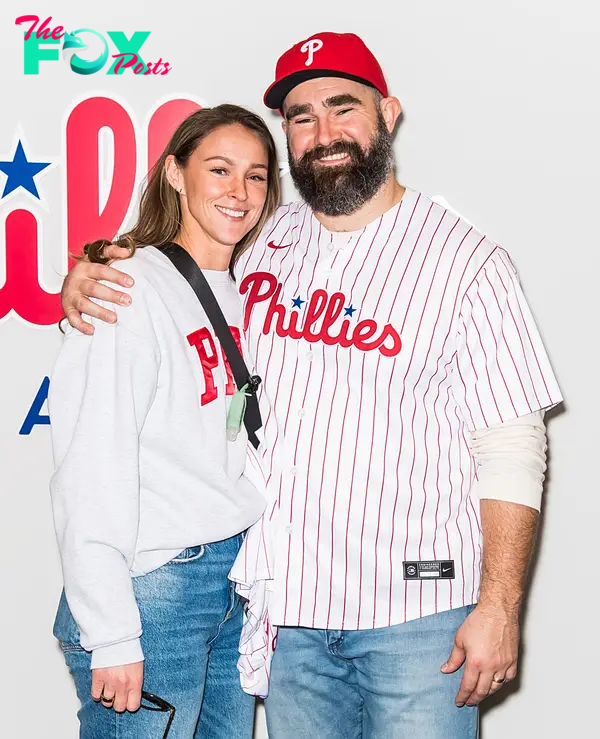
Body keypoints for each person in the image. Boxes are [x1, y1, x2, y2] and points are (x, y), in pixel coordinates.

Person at [59, 32, 562, 739]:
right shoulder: (262, 238)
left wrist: (501, 606)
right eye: (301, 116)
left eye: (343, 107)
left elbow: (512, 445)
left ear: (388, 113)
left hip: (417, 620)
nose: (324, 133)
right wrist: (92, 269)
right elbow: (172, 268)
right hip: (284, 617)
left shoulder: (467, 261)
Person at [49, 103, 281, 739]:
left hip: (232, 582)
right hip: (155, 586)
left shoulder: (252, 291)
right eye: (219, 169)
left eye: (256, 176)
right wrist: (113, 630)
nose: (239, 192)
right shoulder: (127, 288)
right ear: (175, 174)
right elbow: (91, 464)